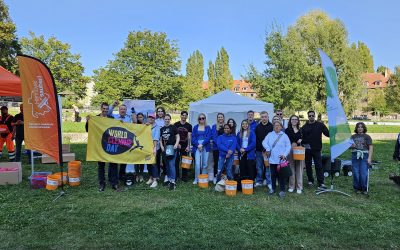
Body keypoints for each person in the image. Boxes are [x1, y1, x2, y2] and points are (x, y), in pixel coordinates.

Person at [86, 102, 119, 191]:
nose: (105, 110)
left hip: (110, 145)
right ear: (101, 108)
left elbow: (116, 129)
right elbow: (87, 130)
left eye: (107, 109)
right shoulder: (95, 118)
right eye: (104, 108)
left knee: (113, 164)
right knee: (101, 166)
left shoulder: (111, 118)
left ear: (108, 110)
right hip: (99, 146)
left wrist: (121, 123)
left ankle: (114, 183)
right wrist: (88, 121)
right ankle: (102, 184)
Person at [262, 121, 291, 198]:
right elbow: (264, 142)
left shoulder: (284, 136)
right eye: (275, 125)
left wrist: (284, 155)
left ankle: (282, 190)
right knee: (273, 175)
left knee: (282, 176)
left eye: (278, 125)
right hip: (272, 159)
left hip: (281, 160)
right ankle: (273, 188)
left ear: (281, 127)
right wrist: (267, 148)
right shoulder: (270, 135)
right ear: (273, 127)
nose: (277, 127)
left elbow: (288, 146)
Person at [301, 110, 330, 189]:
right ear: (308, 117)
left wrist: (334, 131)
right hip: (307, 150)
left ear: (315, 116)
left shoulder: (320, 125)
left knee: (319, 166)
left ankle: (321, 183)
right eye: (309, 116)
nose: (311, 117)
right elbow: (301, 138)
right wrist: (303, 143)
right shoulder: (304, 127)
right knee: (308, 166)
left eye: (312, 115)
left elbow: (327, 134)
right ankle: (310, 181)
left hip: (317, 149)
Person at [107, 100, 133, 182]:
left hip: (124, 143)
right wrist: (113, 105)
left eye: (124, 109)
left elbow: (133, 128)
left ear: (126, 110)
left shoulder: (129, 118)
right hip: (114, 142)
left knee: (124, 161)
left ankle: (121, 175)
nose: (122, 110)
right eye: (121, 109)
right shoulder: (114, 117)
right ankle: (111, 177)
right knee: (113, 160)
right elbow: (108, 114)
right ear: (119, 110)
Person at [350, 122, 373, 195]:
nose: (360, 128)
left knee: (363, 173)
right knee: (356, 172)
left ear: (364, 128)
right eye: (358, 127)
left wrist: (369, 158)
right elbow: (349, 147)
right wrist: (352, 146)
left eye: (361, 127)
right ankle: (357, 188)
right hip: (355, 155)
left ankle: (364, 188)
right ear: (356, 128)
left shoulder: (367, 137)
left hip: (364, 155)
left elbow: (371, 147)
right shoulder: (353, 137)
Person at [160, 114, 180, 190]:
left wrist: (176, 144)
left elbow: (178, 136)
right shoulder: (162, 129)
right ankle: (168, 179)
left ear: (170, 120)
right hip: (165, 149)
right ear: (164, 120)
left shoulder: (173, 127)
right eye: (165, 119)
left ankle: (173, 181)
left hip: (172, 148)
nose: (167, 120)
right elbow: (160, 139)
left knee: (172, 164)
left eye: (168, 119)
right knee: (167, 165)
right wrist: (162, 147)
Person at [285, 115, 304, 194]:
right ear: (290, 120)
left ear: (298, 121)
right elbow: (285, 140)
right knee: (291, 168)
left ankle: (299, 187)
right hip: (290, 150)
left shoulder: (301, 130)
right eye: (292, 119)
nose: (294, 120)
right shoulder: (287, 130)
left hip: (299, 150)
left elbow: (305, 138)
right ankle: (291, 186)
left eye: (296, 119)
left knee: (299, 168)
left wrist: (301, 140)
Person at [254, 111, 273, 188]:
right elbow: (256, 139)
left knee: (268, 167)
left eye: (265, 117)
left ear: (268, 117)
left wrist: (268, 149)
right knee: (259, 167)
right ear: (260, 118)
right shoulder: (257, 127)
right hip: (259, 150)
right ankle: (259, 181)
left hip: (268, 151)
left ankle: (268, 182)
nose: (264, 118)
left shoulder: (271, 126)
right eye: (262, 117)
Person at [191, 113, 212, 184]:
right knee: (197, 164)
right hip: (197, 146)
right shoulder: (195, 127)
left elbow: (208, 137)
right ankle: (196, 179)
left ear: (205, 119)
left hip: (205, 146)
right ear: (198, 119)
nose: (201, 119)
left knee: (205, 164)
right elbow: (193, 138)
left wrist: (202, 144)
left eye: (203, 118)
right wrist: (198, 145)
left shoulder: (208, 127)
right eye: (200, 118)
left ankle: (203, 178)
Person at [174, 111, 193, 182]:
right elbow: (175, 135)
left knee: (185, 162)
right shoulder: (176, 124)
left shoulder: (189, 126)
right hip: (178, 145)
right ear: (180, 116)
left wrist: (188, 146)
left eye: (185, 115)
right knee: (176, 161)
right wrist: (177, 143)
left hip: (185, 146)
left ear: (187, 117)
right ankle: (177, 176)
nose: (184, 117)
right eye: (183, 115)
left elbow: (189, 136)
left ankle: (184, 177)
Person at [145, 114, 161, 188]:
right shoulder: (147, 126)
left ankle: (155, 180)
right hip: (147, 148)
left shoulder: (157, 127)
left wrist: (154, 148)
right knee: (148, 163)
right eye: (149, 117)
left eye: (152, 118)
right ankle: (151, 177)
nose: (151, 119)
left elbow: (156, 138)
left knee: (153, 164)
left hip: (154, 148)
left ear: (155, 119)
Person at [211, 113, 225, 183]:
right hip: (216, 148)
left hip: (224, 149)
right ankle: (215, 176)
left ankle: (223, 177)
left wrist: (224, 146)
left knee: (224, 163)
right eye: (219, 117)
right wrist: (220, 145)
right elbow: (214, 137)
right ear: (217, 118)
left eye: (221, 117)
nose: (220, 118)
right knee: (216, 162)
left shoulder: (226, 126)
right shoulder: (214, 126)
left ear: (223, 118)